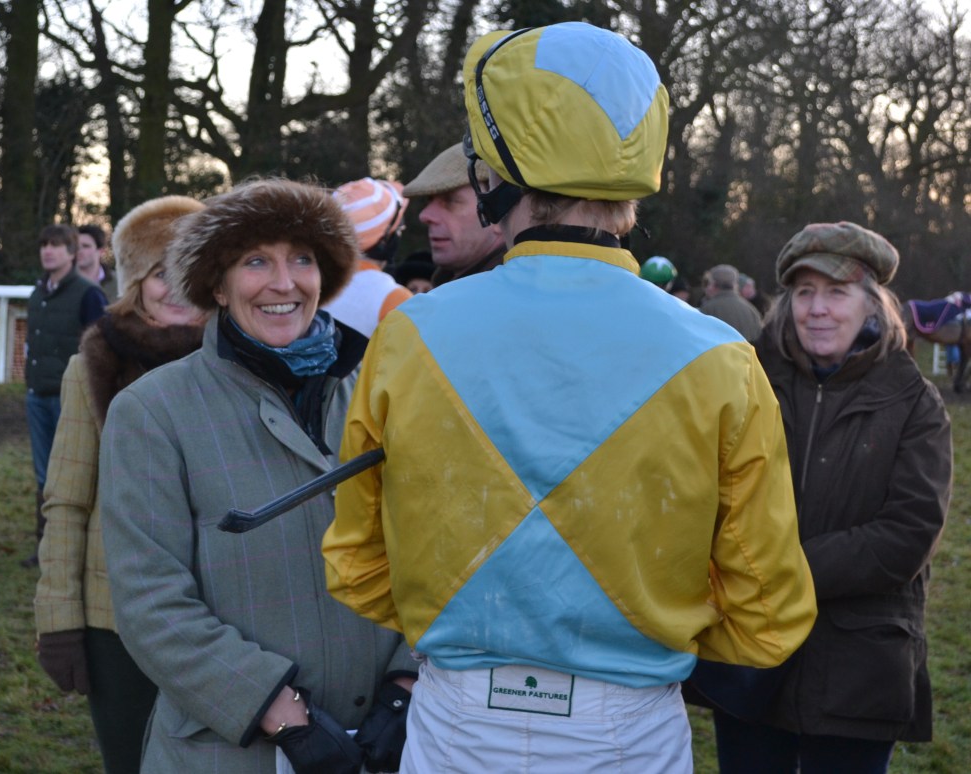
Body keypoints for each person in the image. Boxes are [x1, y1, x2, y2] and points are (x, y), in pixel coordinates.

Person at [323, 22, 816, 773]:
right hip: (628, 729)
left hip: (457, 720)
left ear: (493, 177)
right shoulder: (720, 356)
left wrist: (468, 623)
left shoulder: (409, 335)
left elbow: (357, 563)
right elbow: (768, 614)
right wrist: (650, 632)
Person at [99, 178, 418, 774]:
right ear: (217, 286)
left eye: (302, 259)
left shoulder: (381, 392)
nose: (284, 282)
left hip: (384, 745)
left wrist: (406, 683)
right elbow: (151, 603)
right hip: (228, 752)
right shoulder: (152, 411)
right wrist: (282, 714)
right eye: (255, 261)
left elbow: (432, 550)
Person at [707, 221, 951, 773]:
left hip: (859, 669)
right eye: (804, 292)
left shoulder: (915, 403)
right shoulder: (746, 381)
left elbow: (907, 535)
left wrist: (778, 568)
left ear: (872, 304)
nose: (817, 309)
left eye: (836, 292)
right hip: (751, 653)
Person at [34, 196, 207, 774]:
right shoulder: (93, 365)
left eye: (187, 273)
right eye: (160, 274)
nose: (175, 289)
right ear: (136, 282)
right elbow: (66, 500)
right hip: (117, 621)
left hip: (220, 619)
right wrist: (59, 620)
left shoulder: (237, 364)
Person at [22, 224, 108, 567]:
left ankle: (81, 549)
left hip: (70, 399)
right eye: (44, 244)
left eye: (56, 245)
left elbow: (100, 349)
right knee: (44, 475)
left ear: (72, 253)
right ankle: (46, 549)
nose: (47, 250)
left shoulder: (89, 294)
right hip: (36, 396)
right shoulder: (37, 293)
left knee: (74, 474)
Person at [402, 142, 505, 285]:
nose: (425, 216)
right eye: (429, 200)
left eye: (450, 201)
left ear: (499, 212)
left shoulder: (505, 293)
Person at [323, 177, 412, 336]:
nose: (402, 230)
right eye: (399, 228)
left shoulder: (307, 283)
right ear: (385, 240)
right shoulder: (395, 299)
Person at [700, 263, 763, 341]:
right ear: (735, 285)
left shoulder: (708, 309)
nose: (707, 288)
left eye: (709, 284)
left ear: (714, 285)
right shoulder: (751, 310)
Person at [77, 224, 118, 302]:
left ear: (101, 251)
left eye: (86, 246)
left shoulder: (118, 283)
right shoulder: (61, 283)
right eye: (76, 246)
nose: (79, 251)